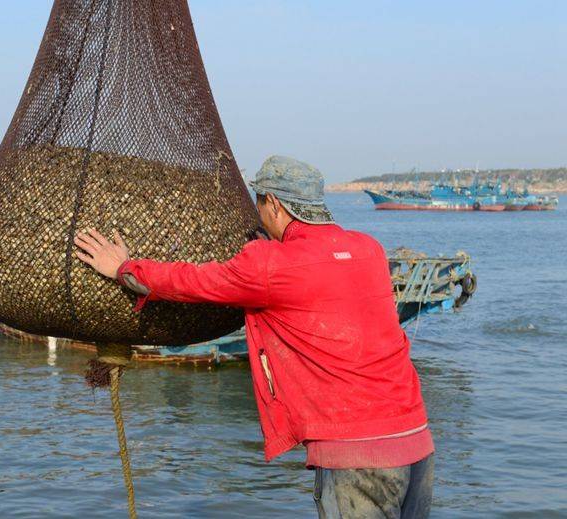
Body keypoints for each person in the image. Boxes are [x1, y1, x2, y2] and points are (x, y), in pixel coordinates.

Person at [73, 156, 434, 519]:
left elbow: (192, 280)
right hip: (416, 440)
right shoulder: (368, 249)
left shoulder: (269, 264)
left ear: (273, 204)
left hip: (356, 454)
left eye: (259, 203)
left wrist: (123, 268)